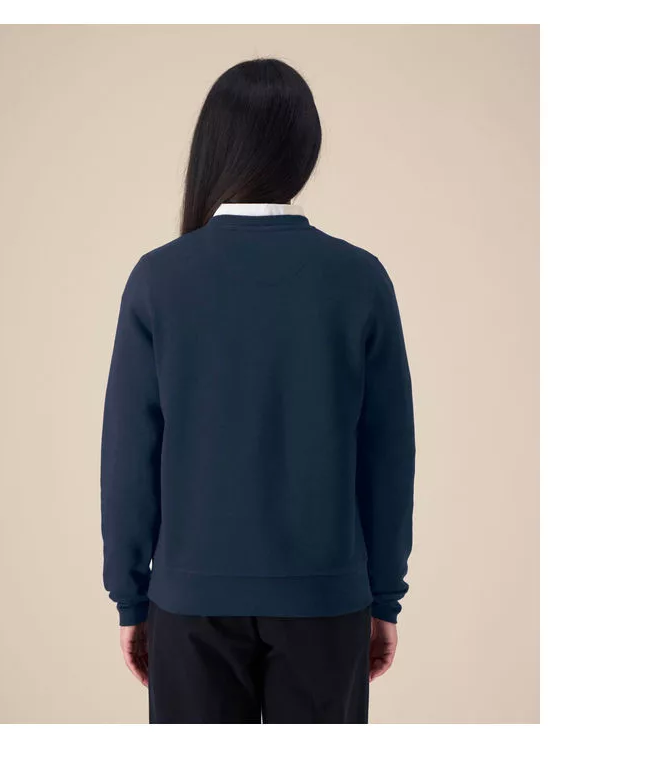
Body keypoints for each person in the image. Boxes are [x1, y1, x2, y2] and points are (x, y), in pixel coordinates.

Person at [101, 58, 415, 724]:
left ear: (212, 148)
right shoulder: (359, 278)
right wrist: (384, 596)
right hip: (326, 602)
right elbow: (388, 456)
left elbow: (129, 455)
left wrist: (131, 598)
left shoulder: (159, 279)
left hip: (189, 603)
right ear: (305, 152)